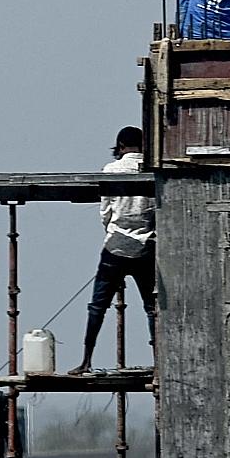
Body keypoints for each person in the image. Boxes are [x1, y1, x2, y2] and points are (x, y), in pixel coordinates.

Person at [68, 125, 157, 374]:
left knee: (98, 307)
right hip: (146, 246)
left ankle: (86, 361)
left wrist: (112, 231)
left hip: (115, 245)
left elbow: (105, 212)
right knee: (152, 307)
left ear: (119, 147)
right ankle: (159, 359)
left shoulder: (111, 170)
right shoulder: (152, 170)